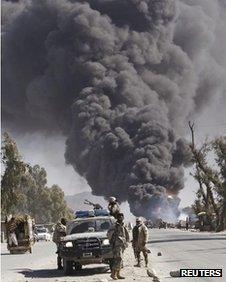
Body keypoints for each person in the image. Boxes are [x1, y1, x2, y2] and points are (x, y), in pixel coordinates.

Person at [107, 213, 129, 280]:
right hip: (117, 245)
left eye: (122, 217)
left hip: (122, 245)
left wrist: (127, 242)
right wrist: (112, 242)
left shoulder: (124, 225)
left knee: (120, 260)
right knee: (118, 259)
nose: (121, 218)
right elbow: (109, 234)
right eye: (119, 217)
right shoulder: (114, 225)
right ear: (117, 218)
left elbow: (127, 234)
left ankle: (118, 274)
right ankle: (113, 274)